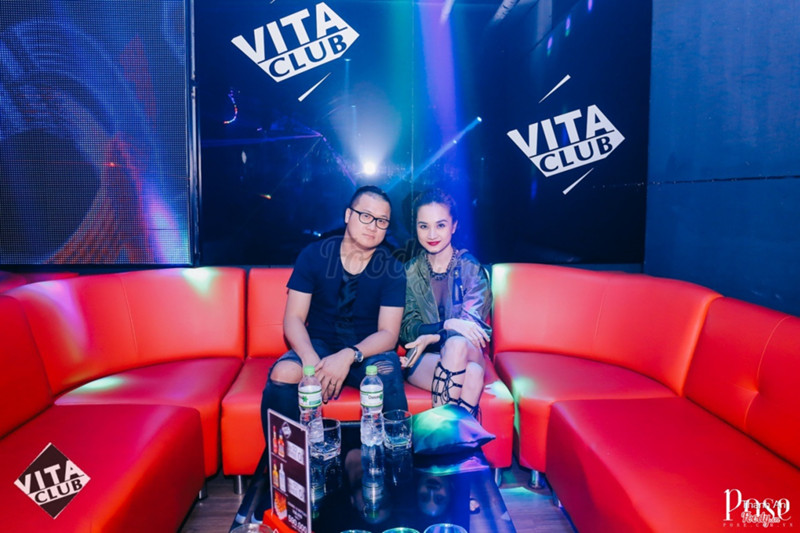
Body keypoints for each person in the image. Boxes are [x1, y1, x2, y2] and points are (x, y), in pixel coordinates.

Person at [261, 185, 409, 433]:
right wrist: (310, 360)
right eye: (366, 216)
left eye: (382, 221)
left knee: (387, 372)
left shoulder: (393, 268)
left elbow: (388, 334)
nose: (373, 226)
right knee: (283, 372)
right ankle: (287, 456)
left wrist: (349, 355)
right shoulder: (314, 254)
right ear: (348, 215)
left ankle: (393, 454)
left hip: (367, 350)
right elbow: (294, 318)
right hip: (319, 345)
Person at [400, 189, 492, 417]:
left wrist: (435, 334)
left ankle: (440, 436)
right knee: (472, 374)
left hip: (467, 350)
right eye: (423, 226)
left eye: (440, 225)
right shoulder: (409, 272)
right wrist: (447, 325)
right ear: (416, 228)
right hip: (424, 358)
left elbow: (472, 329)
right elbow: (408, 329)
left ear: (454, 226)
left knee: (456, 345)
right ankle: (461, 437)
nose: (432, 234)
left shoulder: (470, 268)